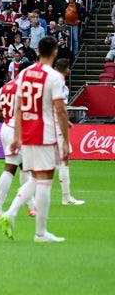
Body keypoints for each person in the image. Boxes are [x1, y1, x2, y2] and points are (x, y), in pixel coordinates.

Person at [0, 37, 69, 243]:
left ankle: (11, 213)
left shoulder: (25, 73)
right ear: (55, 52)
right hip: (45, 132)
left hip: (27, 131)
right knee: (45, 181)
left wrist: (17, 136)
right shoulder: (54, 77)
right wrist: (65, 141)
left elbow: (18, 107)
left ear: (38, 50)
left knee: (36, 178)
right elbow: (61, 111)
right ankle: (40, 233)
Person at [0, 77, 35, 217]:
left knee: (24, 167)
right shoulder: (27, 87)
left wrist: (9, 114)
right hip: (18, 129)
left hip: (6, 127)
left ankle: (32, 207)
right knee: (12, 168)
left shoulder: (5, 87)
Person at [53, 58, 85, 206]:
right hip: (57, 128)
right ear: (67, 69)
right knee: (64, 161)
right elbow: (60, 109)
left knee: (43, 166)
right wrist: (64, 122)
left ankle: (26, 198)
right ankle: (66, 198)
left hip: (45, 127)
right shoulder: (61, 85)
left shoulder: (48, 81)